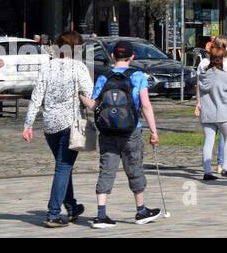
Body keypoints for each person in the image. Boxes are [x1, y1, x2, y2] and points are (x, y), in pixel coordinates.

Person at [22, 31, 94, 227]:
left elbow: (37, 96)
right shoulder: (79, 67)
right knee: (63, 167)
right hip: (71, 124)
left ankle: (71, 207)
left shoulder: (47, 67)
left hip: (50, 125)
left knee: (64, 166)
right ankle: (53, 213)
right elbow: (90, 94)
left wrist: (28, 125)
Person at [90, 40, 161, 226]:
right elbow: (145, 105)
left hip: (107, 131)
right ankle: (141, 211)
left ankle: (101, 214)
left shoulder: (103, 76)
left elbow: (94, 105)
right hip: (132, 131)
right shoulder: (138, 76)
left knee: (106, 169)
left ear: (113, 56)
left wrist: (81, 95)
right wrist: (153, 131)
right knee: (134, 167)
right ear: (132, 57)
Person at [197, 37, 227, 181]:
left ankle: (207, 171)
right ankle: (225, 168)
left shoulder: (203, 75)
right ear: (222, 59)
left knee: (208, 141)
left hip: (207, 112)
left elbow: (198, 87)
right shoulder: (222, 76)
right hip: (223, 113)